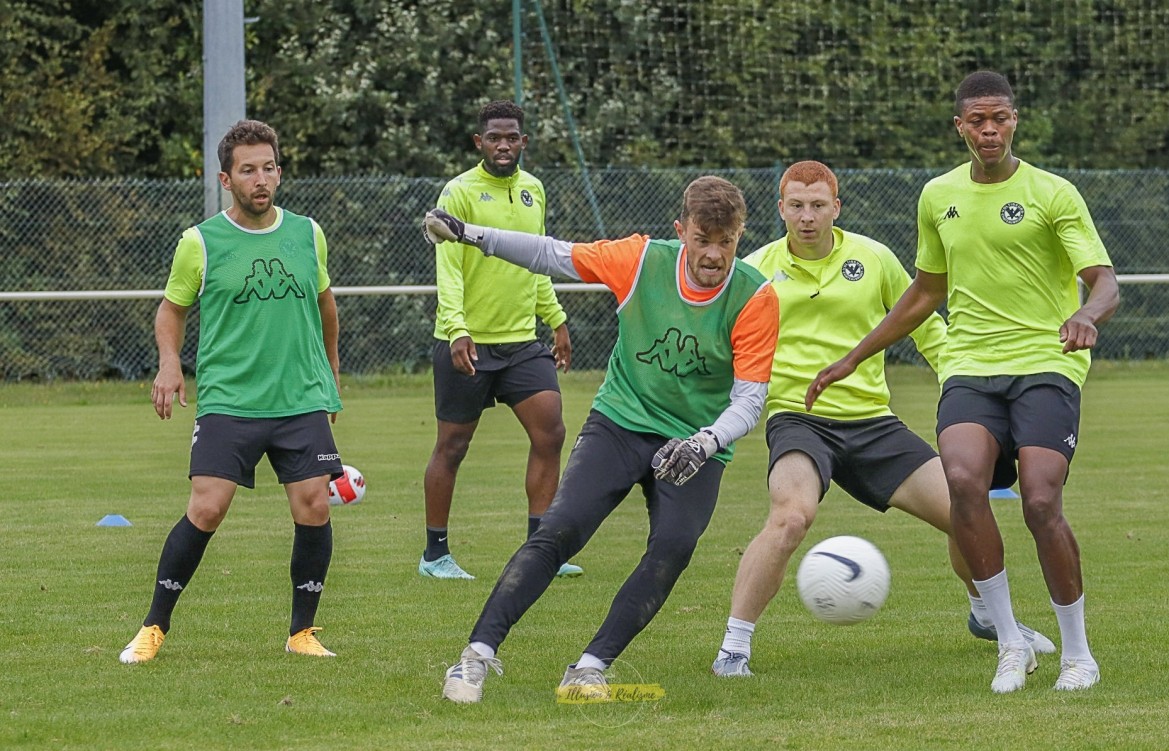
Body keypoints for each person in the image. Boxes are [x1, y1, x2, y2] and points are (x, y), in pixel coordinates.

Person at [809, 72, 1119, 693]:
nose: (989, 130)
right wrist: (852, 357)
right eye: (977, 121)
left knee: (1039, 500)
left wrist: (1086, 314)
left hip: (1045, 362)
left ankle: (1079, 654)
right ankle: (1010, 643)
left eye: (999, 118)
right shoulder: (938, 195)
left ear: (1014, 121)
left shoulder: (1052, 193)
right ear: (960, 127)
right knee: (962, 484)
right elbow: (926, 292)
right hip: (971, 366)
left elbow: (1104, 279)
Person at [422, 176, 780, 703]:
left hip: (696, 443)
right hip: (621, 421)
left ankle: (589, 668)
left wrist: (703, 444)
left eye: (725, 242)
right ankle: (474, 657)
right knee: (558, 530)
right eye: (703, 238)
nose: (713, 254)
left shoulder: (755, 296)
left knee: (674, 548)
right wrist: (468, 233)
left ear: (739, 237)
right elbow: (551, 255)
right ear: (681, 231)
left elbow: (749, 401)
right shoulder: (639, 261)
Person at [711, 160, 1056, 679]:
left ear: (836, 208)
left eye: (818, 206)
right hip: (799, 421)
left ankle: (987, 615)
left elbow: (926, 327)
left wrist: (966, 386)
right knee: (790, 516)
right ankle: (734, 648)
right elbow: (725, 349)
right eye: (797, 206)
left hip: (874, 422)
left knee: (967, 507)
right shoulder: (756, 270)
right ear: (780, 208)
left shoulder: (873, 258)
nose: (808, 217)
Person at [119, 119, 344, 664]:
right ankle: (153, 626)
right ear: (227, 178)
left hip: (300, 397)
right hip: (229, 399)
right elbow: (171, 311)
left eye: (268, 167)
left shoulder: (307, 232)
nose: (260, 178)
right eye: (248, 170)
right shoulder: (200, 241)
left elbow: (326, 305)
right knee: (207, 507)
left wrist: (332, 373)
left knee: (314, 506)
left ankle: (301, 633)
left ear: (279, 172)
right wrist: (169, 365)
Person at [422, 100, 580, 580]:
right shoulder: (459, 192)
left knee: (550, 431)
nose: (504, 145)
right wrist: (457, 329)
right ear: (479, 143)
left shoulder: (534, 190)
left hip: (521, 342)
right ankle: (435, 556)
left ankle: (540, 551)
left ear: (523, 141)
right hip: (468, 343)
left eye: (512, 137)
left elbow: (536, 261)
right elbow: (447, 269)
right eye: (494, 137)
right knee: (452, 446)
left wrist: (556, 318)